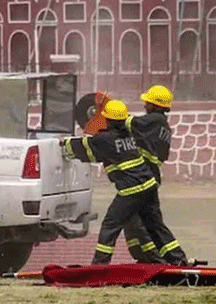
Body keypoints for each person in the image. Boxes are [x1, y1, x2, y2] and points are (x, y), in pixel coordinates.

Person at [61, 99, 187, 265]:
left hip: (131, 190)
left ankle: (99, 265)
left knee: (110, 226)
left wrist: (63, 143)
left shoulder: (105, 139)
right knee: (155, 227)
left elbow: (85, 147)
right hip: (149, 186)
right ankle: (179, 260)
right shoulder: (130, 135)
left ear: (108, 119)